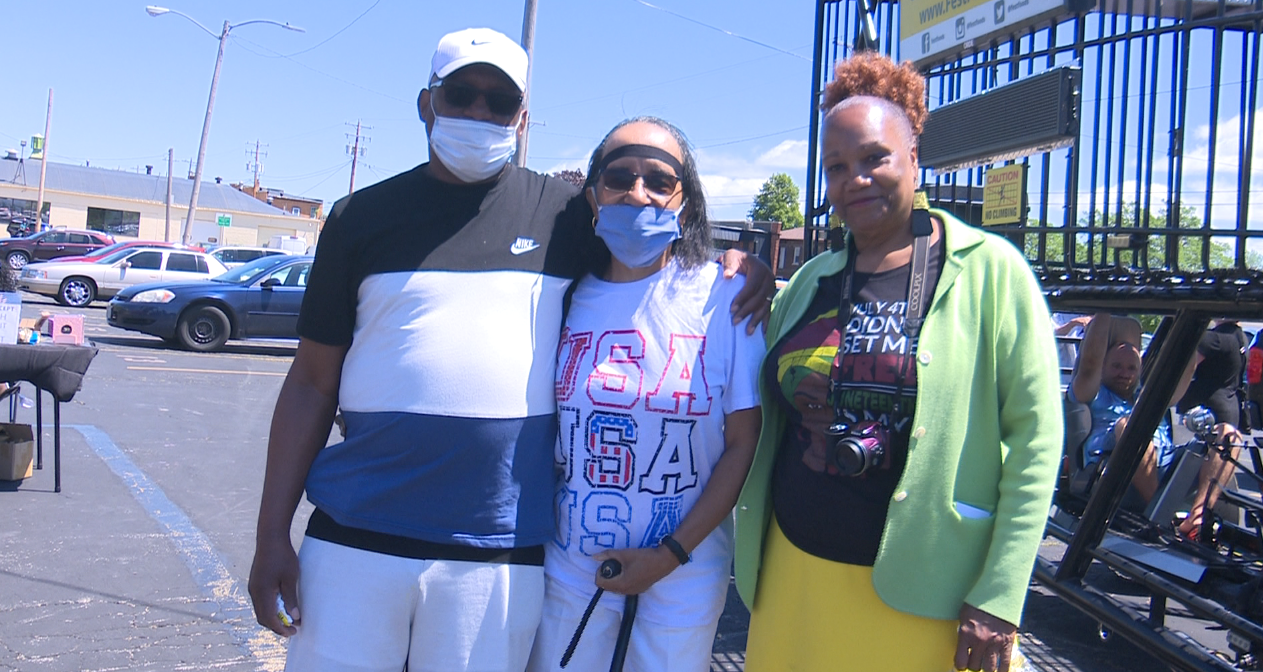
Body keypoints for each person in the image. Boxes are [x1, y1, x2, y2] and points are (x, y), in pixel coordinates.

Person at [246, 28, 772, 672]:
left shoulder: (563, 217)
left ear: (521, 118)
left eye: (499, 102)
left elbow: (650, 249)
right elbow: (309, 382)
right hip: (358, 534)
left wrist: (744, 264)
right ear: (425, 103)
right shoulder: (359, 216)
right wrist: (272, 533)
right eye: (461, 94)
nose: (478, 112)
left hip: (499, 549)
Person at [732, 52, 1063, 672]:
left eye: (874, 158)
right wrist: (735, 270)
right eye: (836, 167)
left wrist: (1000, 596)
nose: (854, 179)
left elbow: (1037, 443)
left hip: (925, 600)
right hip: (793, 580)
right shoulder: (809, 282)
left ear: (914, 157)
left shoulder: (991, 271)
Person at [524, 117, 764, 671]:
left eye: (659, 180)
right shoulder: (559, 300)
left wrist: (669, 555)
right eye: (619, 177)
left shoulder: (727, 299)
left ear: (686, 200)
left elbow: (741, 445)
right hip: (571, 568)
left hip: (684, 573)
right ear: (592, 196)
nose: (638, 192)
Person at [1073, 313, 1243, 537]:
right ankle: (1161, 513)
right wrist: (1105, 310)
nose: (1124, 373)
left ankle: (1198, 517)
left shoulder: (1148, 394)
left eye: (1131, 368)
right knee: (1130, 425)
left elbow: (1189, 368)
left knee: (1228, 435)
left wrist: (1199, 311)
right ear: (1103, 366)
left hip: (1164, 467)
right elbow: (1089, 363)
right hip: (1113, 471)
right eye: (1116, 366)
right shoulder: (1091, 393)